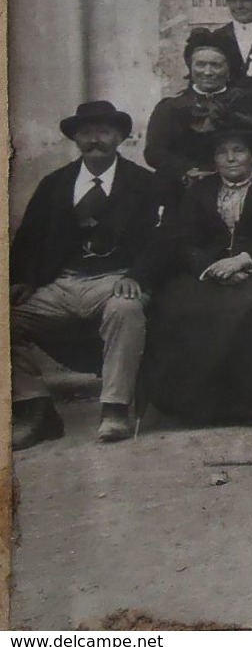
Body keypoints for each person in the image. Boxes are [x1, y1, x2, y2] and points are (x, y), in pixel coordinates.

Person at [11, 101, 161, 448]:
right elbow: (29, 237)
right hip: (61, 282)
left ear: (121, 137)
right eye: (87, 132)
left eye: (105, 131)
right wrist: (25, 280)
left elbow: (162, 238)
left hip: (117, 278)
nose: (96, 140)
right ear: (76, 138)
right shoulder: (55, 183)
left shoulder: (144, 183)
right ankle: (35, 407)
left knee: (126, 308)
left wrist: (138, 275)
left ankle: (114, 409)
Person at [145, 102, 252, 425]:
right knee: (177, 306)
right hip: (210, 271)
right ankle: (194, 406)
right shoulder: (201, 190)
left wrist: (242, 260)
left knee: (251, 309)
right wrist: (210, 266)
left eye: (238, 151)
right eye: (222, 153)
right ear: (213, 159)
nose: (230, 158)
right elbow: (183, 238)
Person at [145, 28, 251, 205]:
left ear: (229, 68)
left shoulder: (246, 103)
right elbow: (154, 152)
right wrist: (186, 170)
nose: (208, 72)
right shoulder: (170, 108)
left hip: (239, 189)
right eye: (200, 65)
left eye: (216, 65)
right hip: (184, 190)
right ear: (190, 66)